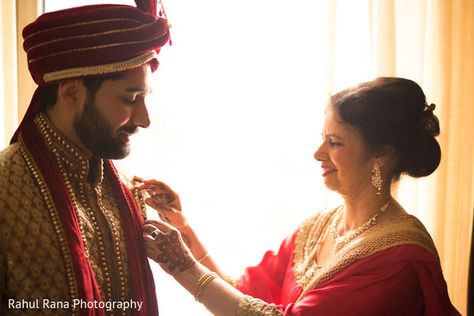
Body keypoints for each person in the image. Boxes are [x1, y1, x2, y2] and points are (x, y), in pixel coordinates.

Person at [138, 77, 461, 315]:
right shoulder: (317, 228)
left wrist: (182, 265)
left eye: (335, 143)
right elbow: (241, 295)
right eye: (323, 139)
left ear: (381, 154)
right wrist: (181, 227)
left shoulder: (397, 256)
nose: (318, 153)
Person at [0, 1, 170, 315]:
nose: (145, 119)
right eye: (130, 98)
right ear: (72, 93)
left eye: (145, 99)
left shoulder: (128, 194)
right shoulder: (5, 189)